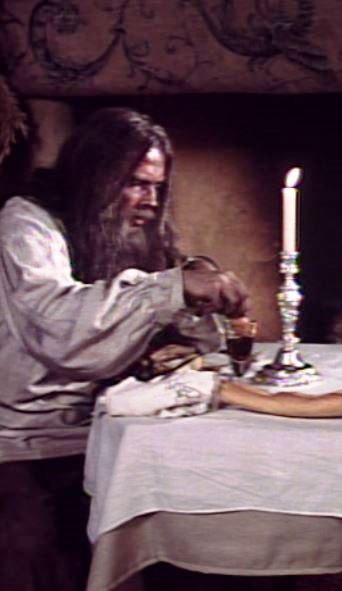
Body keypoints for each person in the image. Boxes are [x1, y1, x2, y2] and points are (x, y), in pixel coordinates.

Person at [0, 107, 254, 591]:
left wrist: (197, 288)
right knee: (47, 561)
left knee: (213, 523)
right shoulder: (26, 223)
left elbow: (182, 336)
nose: (151, 201)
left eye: (158, 187)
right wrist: (172, 289)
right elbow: (62, 329)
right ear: (95, 175)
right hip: (25, 445)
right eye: (136, 184)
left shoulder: (128, 234)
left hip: (110, 434)